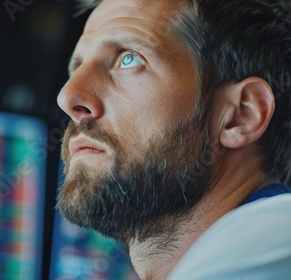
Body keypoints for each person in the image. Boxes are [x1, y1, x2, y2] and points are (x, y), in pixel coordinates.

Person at [55, 0, 291, 279]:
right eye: (77, 68)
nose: (67, 97)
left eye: (128, 59)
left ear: (240, 115)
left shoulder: (273, 241)